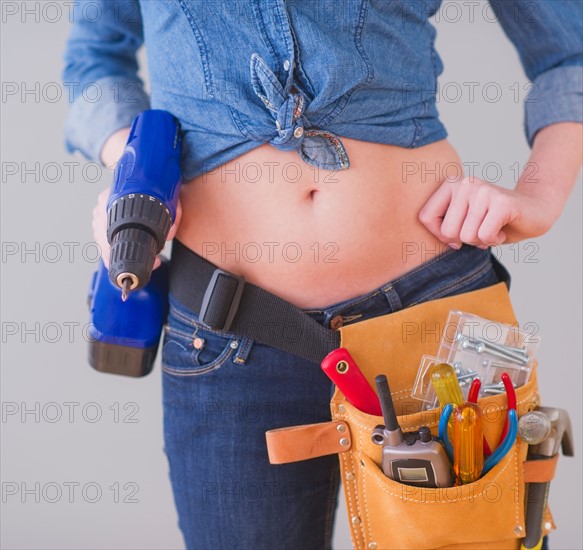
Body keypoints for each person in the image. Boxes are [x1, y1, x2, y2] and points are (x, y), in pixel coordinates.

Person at [63, 1, 582, 548]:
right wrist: (136, 168)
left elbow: (569, 54)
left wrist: (539, 198)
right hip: (226, 327)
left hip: (430, 310)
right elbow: (92, 62)